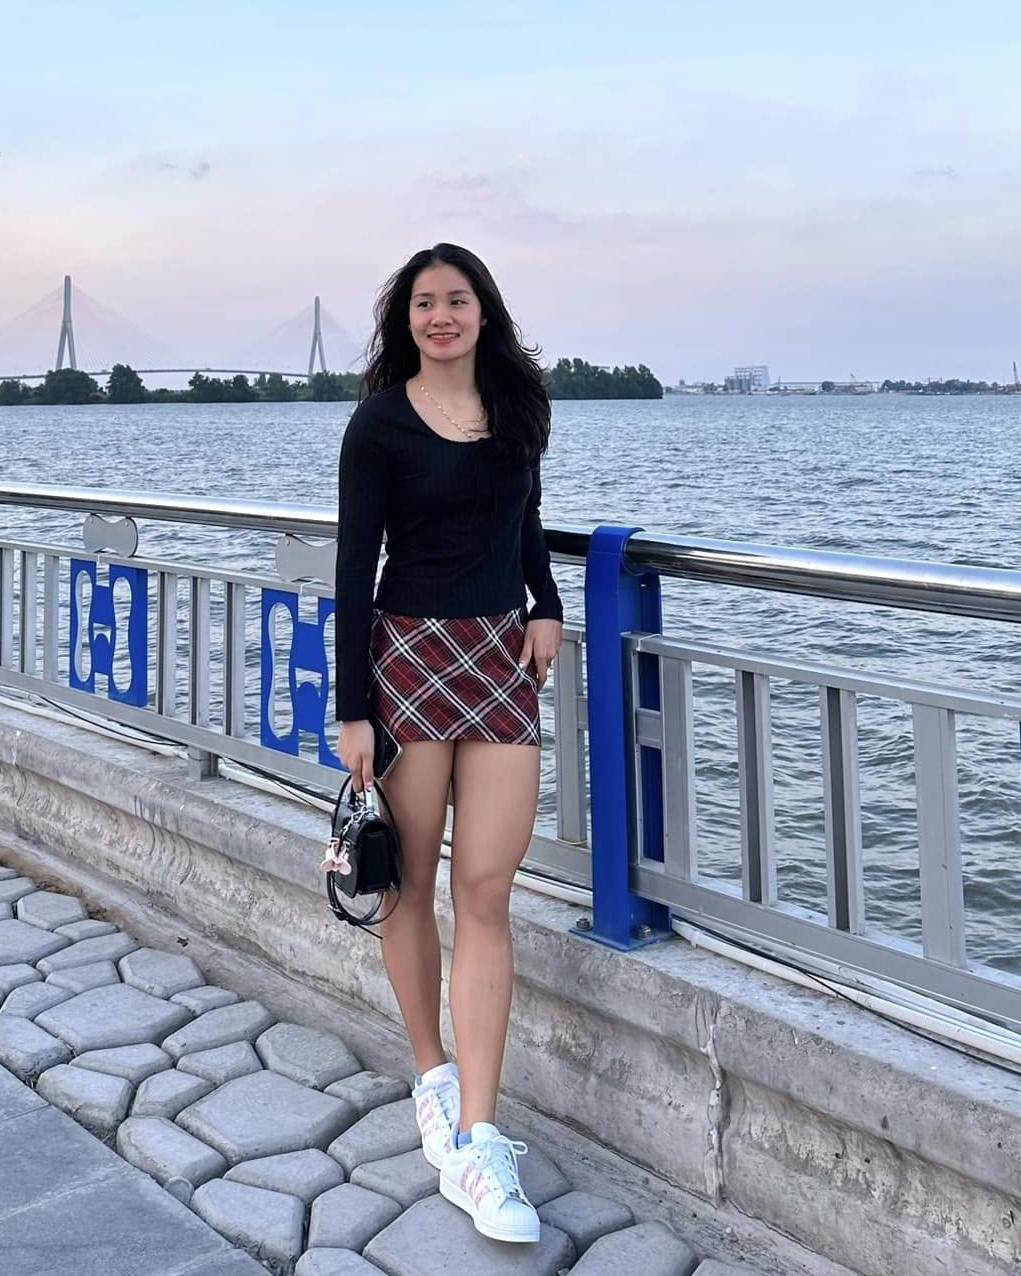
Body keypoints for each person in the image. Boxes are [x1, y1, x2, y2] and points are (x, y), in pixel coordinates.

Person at [334, 243, 563, 1244]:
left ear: (483, 312)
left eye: (455, 300)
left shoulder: (519, 409)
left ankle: (479, 1133)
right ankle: (432, 1072)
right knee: (410, 883)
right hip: (408, 657)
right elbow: (353, 567)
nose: (440, 316)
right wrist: (353, 710)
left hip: (501, 657)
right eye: (423, 302)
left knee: (485, 891)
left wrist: (546, 602)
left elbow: (526, 520)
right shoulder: (379, 423)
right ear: (405, 321)